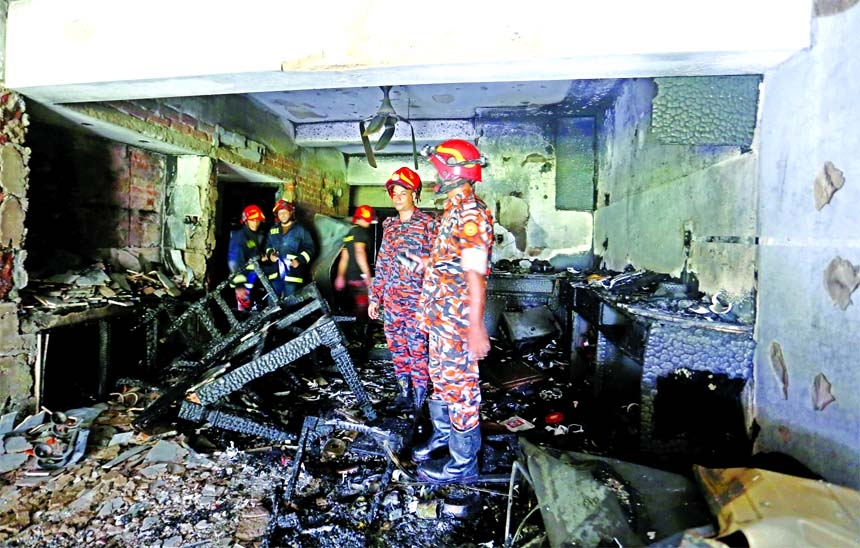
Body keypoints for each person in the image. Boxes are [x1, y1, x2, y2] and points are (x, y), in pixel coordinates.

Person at [412, 139, 493, 484]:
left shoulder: (471, 214)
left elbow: (475, 272)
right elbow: (452, 263)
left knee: (461, 389)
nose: (435, 173)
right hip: (440, 319)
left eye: (438, 167)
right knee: (442, 381)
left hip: (458, 322)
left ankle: (462, 464)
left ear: (453, 170)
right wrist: (426, 263)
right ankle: (444, 439)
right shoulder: (452, 211)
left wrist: (476, 326)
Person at [368, 167, 436, 414]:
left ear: (414, 194)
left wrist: (431, 302)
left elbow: (438, 266)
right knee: (397, 348)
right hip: (392, 302)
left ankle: (419, 400)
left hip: (418, 302)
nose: (397, 197)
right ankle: (404, 393)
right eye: (393, 193)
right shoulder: (390, 226)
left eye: (402, 192)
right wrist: (375, 297)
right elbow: (383, 262)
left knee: (418, 349)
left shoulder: (429, 224)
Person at [334, 204, 377, 347]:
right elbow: (360, 253)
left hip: (349, 278)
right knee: (363, 308)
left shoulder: (350, 233)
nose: (370, 223)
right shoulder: (362, 233)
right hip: (359, 278)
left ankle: (350, 338)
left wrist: (340, 276)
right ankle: (362, 339)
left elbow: (344, 257)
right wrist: (367, 275)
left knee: (351, 308)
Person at [265, 199, 316, 299]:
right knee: (271, 306)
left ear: (291, 213)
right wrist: (270, 254)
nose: (282, 215)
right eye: (280, 213)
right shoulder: (273, 230)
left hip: (292, 274)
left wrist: (299, 260)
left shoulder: (301, 230)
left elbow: (310, 248)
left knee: (291, 306)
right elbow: (268, 246)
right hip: (275, 275)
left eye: (285, 212)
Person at [227, 204, 267, 312]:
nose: (255, 223)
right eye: (252, 220)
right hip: (243, 282)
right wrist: (239, 285)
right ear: (246, 221)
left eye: (257, 220)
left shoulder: (256, 236)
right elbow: (233, 261)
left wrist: (261, 256)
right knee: (243, 313)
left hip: (253, 280)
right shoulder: (240, 236)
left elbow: (253, 255)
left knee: (252, 312)